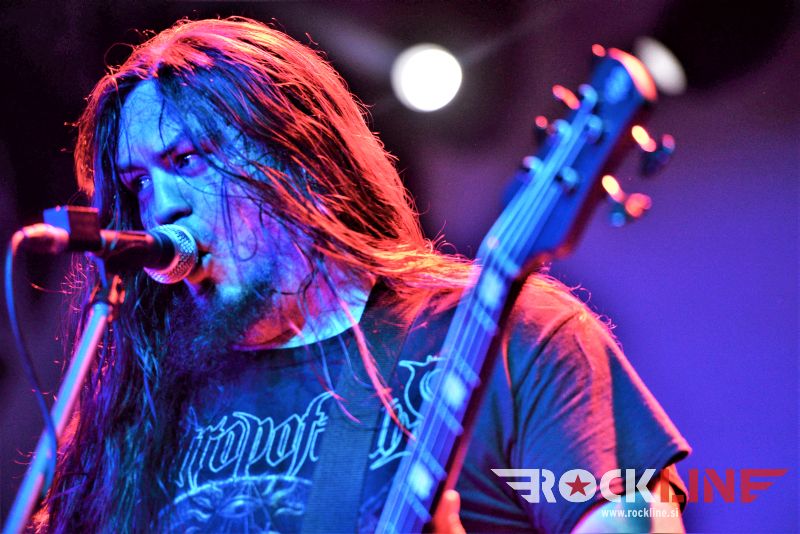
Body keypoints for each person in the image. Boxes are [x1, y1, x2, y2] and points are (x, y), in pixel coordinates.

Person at [33, 16, 690, 533]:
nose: (161, 207)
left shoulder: (512, 333)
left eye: (186, 160)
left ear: (294, 156)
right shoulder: (138, 406)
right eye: (137, 183)